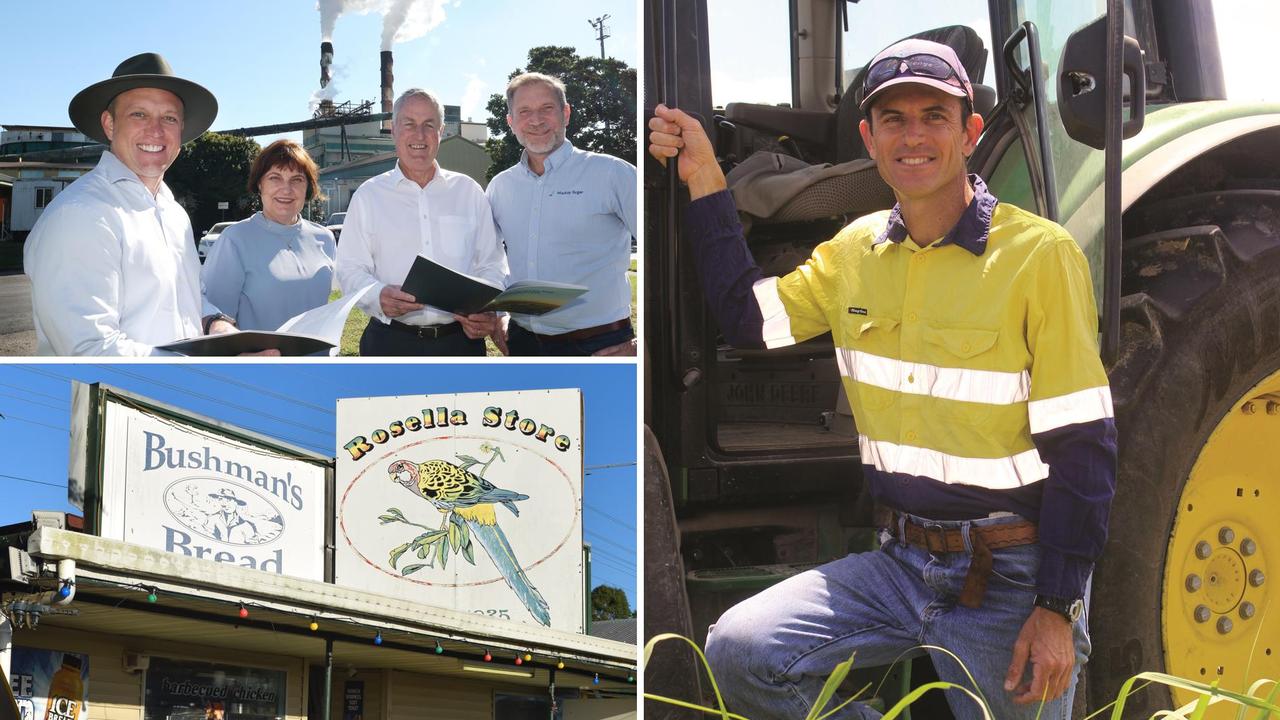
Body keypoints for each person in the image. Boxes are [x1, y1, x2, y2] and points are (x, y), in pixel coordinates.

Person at [648, 39, 1117, 719]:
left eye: (935, 114)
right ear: (869, 138)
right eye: (894, 119)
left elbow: (1086, 447)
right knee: (740, 653)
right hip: (900, 566)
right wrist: (704, 180)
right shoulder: (853, 252)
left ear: (970, 130)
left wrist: (1056, 607)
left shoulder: (1041, 256)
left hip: (1010, 578)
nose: (914, 135)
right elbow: (752, 321)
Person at [23, 53, 255, 356]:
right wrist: (208, 370)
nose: (156, 131)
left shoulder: (174, 214)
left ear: (181, 129)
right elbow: (91, 349)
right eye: (139, 115)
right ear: (109, 124)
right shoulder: (82, 214)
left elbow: (187, 299)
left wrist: (214, 324)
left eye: (169, 118)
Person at [335, 88, 507, 356]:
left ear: (441, 132)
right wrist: (377, 296)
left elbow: (492, 264)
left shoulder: (468, 192)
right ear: (393, 130)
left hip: (460, 343)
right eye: (409, 124)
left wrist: (487, 309)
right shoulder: (368, 196)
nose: (419, 135)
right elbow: (349, 269)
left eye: (429, 125)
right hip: (389, 342)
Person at [487, 72, 637, 356]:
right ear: (511, 122)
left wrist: (642, 344)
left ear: (566, 113)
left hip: (600, 345)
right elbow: (489, 260)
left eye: (547, 109)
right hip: (522, 342)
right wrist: (500, 315)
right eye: (524, 112)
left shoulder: (613, 174)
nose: (536, 120)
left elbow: (668, 254)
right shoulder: (500, 187)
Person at [202, 139, 336, 331]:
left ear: (308, 187)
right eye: (275, 178)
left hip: (319, 359)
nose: (286, 189)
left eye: (296, 180)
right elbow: (216, 318)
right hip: (261, 359)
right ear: (259, 184)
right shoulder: (235, 240)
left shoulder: (325, 238)